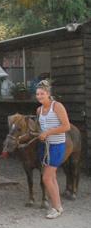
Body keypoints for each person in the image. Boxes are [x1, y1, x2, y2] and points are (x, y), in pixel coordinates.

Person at [36, 80, 70, 219]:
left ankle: (55, 207)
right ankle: (58, 206)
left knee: (47, 178)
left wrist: (48, 133)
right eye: (37, 94)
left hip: (57, 145)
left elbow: (66, 126)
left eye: (42, 94)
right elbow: (41, 128)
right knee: (52, 177)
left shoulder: (57, 106)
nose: (39, 96)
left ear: (48, 94)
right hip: (45, 146)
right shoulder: (39, 110)